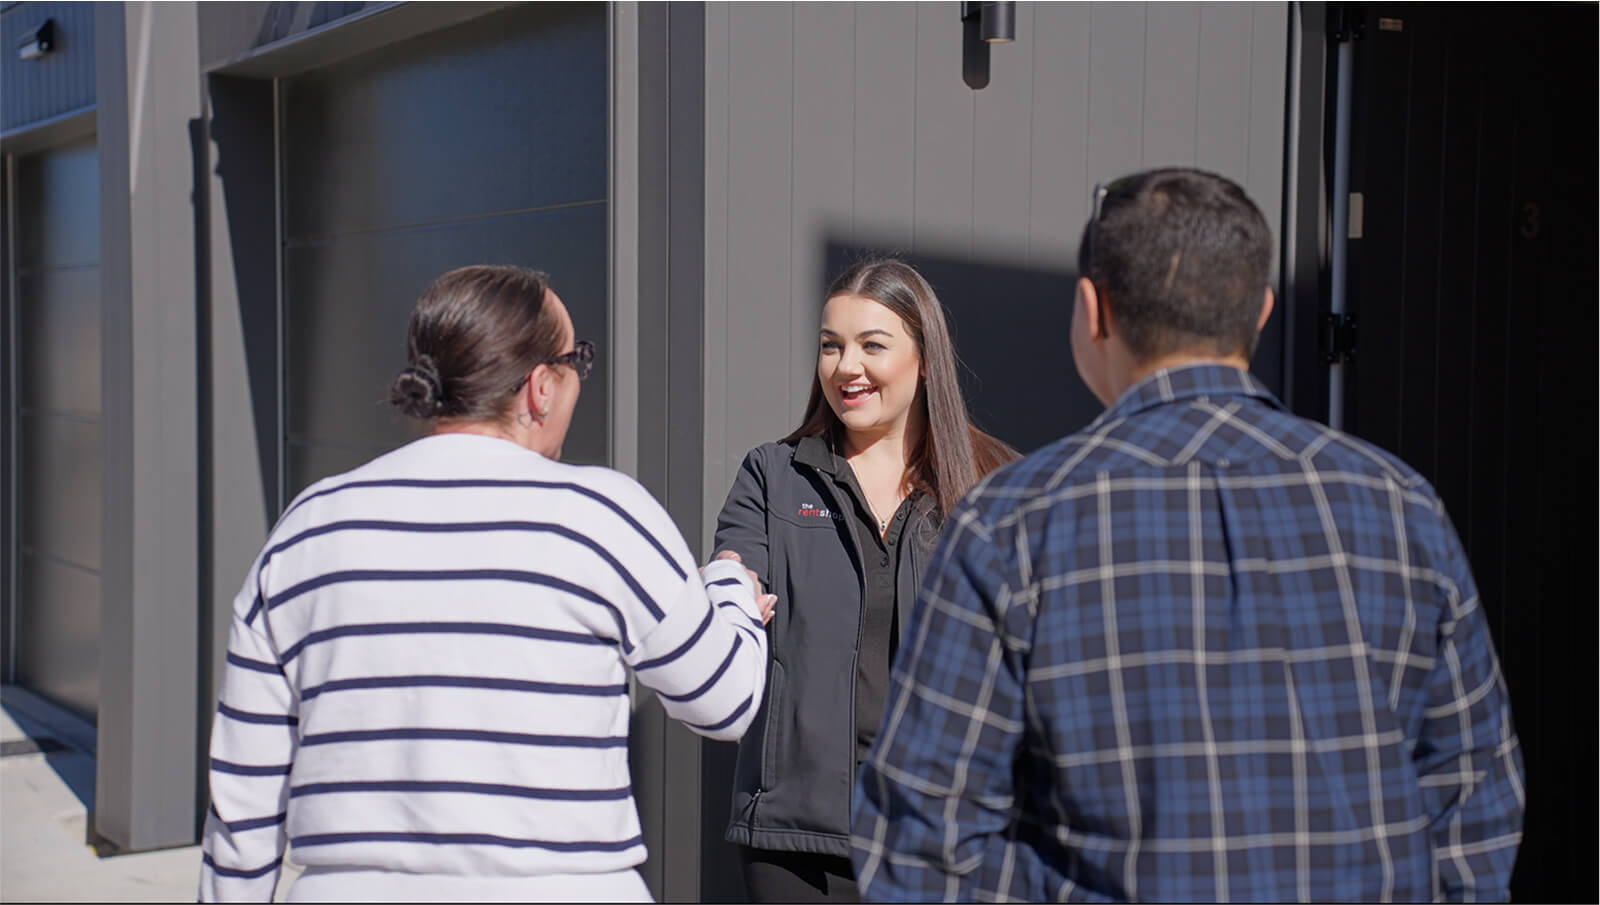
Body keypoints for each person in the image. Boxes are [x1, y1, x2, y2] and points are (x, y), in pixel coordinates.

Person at [850, 168, 1525, 902]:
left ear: (1092, 309)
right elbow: (1476, 802)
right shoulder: (1399, 508)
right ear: (1260, 311)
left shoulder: (1010, 524)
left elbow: (919, 841)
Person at [198, 265, 775, 903]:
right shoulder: (605, 516)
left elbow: (243, 794)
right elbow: (725, 703)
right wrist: (729, 592)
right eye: (576, 359)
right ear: (539, 388)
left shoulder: (309, 527)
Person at [715, 258, 1016, 902]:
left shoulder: (996, 484)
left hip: (946, 838)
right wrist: (727, 596)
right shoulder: (773, 477)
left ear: (926, 357)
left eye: (871, 345)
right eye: (831, 345)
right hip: (795, 843)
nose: (846, 366)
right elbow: (733, 587)